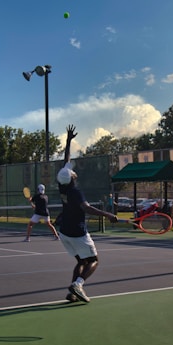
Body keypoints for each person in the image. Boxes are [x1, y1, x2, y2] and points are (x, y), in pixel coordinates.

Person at [57, 124, 118, 303]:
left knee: (81, 261)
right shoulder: (75, 192)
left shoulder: (62, 184)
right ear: (71, 179)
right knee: (94, 260)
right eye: (73, 174)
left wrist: (68, 141)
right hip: (77, 232)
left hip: (64, 232)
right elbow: (87, 208)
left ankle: (73, 291)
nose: (74, 174)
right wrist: (109, 216)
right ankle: (78, 284)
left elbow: (65, 159)